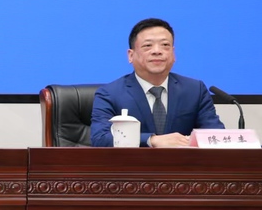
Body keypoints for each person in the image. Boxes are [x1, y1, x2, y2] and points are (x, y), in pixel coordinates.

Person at [91, 18, 224, 148]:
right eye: (147, 46)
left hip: (182, 162)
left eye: (165, 45)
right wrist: (151, 140)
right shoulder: (109, 94)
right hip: (133, 162)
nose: (157, 51)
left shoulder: (195, 90)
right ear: (131, 55)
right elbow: (100, 138)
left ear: (173, 54)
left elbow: (215, 135)